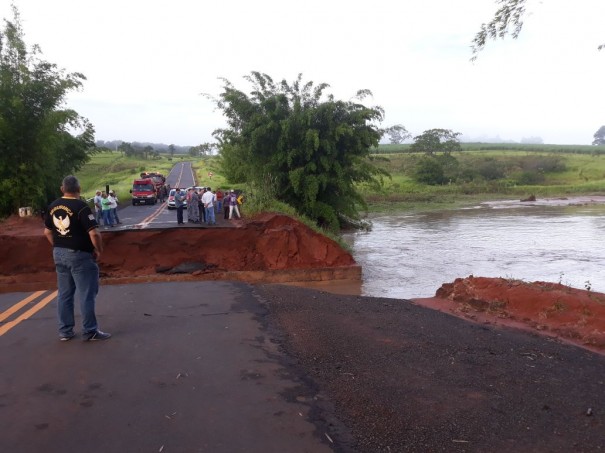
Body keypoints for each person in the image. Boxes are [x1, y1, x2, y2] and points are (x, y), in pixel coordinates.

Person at [43, 175, 111, 341]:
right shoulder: (81, 207)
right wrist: (98, 250)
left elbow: (47, 231)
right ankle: (90, 330)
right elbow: (94, 233)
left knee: (64, 294)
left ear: (62, 189)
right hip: (79, 255)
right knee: (86, 294)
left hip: (59, 253)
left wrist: (58, 246)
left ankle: (65, 331)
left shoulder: (53, 206)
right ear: (79, 189)